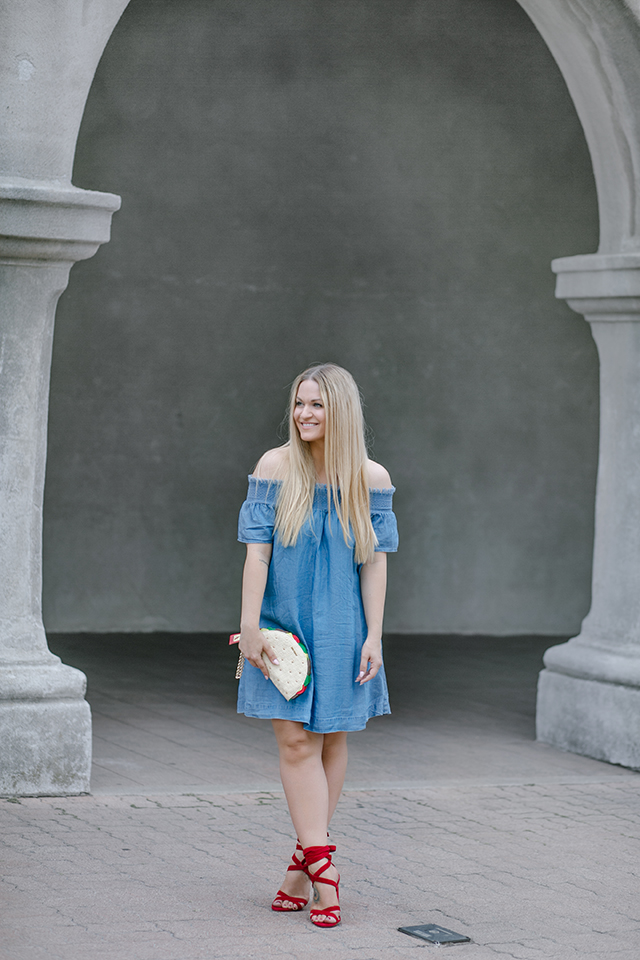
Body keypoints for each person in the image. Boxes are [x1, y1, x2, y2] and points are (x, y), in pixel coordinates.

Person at [235, 362, 398, 928]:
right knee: (294, 742)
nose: (304, 414)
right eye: (299, 403)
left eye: (317, 405)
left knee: (328, 740)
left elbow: (374, 564)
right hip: (281, 623)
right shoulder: (275, 466)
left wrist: (374, 636)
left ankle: (300, 867)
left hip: (342, 626)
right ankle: (326, 871)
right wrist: (249, 625)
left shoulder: (371, 478)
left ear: (341, 412)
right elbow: (256, 552)